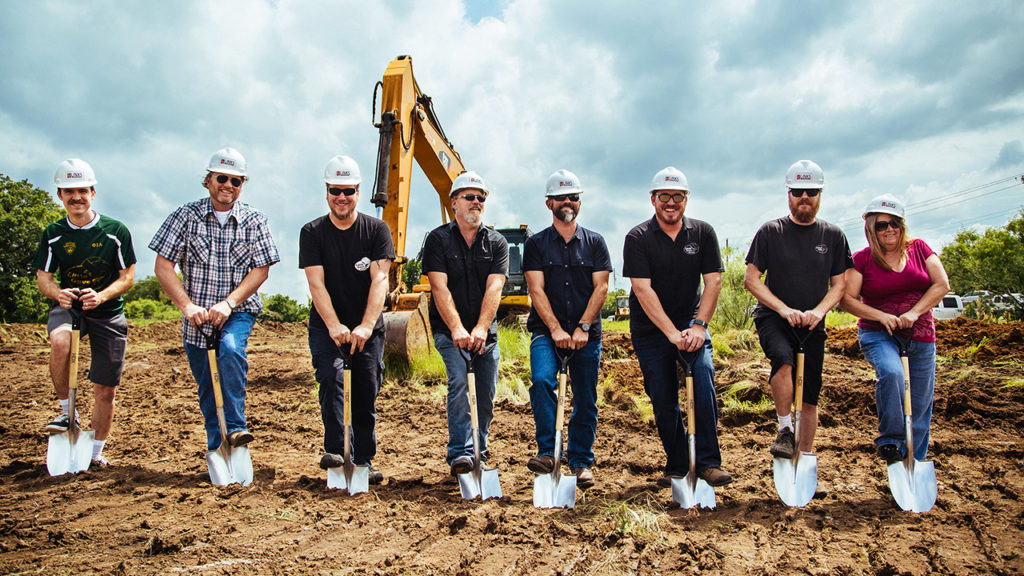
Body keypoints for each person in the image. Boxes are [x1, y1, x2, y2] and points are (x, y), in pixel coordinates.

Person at [150, 147, 280, 455]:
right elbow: (163, 266)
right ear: (208, 180)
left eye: (236, 181)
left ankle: (235, 429)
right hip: (197, 315)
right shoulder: (184, 216)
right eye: (222, 178)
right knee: (208, 385)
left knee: (231, 351)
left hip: (237, 311)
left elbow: (261, 270)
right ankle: (217, 446)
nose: (228, 186)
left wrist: (230, 303)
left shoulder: (254, 221)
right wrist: (187, 306)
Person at [623, 166, 733, 488]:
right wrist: (671, 333)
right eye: (664, 196)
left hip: (691, 321)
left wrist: (699, 327)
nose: (671, 202)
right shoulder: (638, 237)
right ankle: (678, 463)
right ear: (653, 199)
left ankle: (709, 462)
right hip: (651, 327)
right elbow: (643, 289)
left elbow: (713, 282)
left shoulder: (703, 233)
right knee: (662, 395)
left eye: (678, 196)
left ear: (686, 199)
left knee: (702, 378)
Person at [744, 160, 852, 462]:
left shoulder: (833, 235)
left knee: (809, 397)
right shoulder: (771, 232)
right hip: (773, 318)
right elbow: (752, 280)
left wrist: (818, 312)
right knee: (784, 361)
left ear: (820, 195)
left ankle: (804, 458)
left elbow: (839, 285)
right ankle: (784, 430)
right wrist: (783, 309)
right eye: (798, 191)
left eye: (811, 192)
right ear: (788, 194)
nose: (805, 197)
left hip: (812, 323)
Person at [35, 159, 136, 467]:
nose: (76, 197)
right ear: (60, 196)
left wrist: (102, 295)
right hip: (69, 308)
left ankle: (93, 454)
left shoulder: (115, 231)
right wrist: (58, 293)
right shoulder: (53, 234)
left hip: (107, 313)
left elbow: (128, 276)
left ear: (92, 193)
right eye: (69, 192)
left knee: (105, 390)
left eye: (82, 191)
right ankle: (68, 412)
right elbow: (44, 279)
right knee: (60, 343)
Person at [300, 155, 394, 484]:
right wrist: (334, 326)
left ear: (358, 191)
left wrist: (366, 326)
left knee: (366, 388)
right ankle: (337, 452)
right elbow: (316, 284)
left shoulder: (376, 230)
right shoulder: (312, 232)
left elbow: (380, 280)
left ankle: (364, 458)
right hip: (328, 325)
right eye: (335, 190)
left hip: (367, 323)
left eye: (349, 190)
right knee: (331, 379)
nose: (342, 197)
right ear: (327, 192)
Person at [841, 194, 948, 463]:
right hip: (879, 333)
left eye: (895, 223)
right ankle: (890, 441)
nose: (889, 229)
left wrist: (913, 312)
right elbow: (847, 300)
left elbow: (941, 285)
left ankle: (914, 462)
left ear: (902, 225)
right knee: (891, 374)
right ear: (871, 229)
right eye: (881, 225)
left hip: (920, 333)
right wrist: (882, 316)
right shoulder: (862, 259)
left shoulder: (920, 249)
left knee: (920, 405)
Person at [523, 169, 611, 489]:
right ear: (549, 203)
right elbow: (536, 290)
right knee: (543, 380)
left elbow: (601, 288)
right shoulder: (535, 245)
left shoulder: (596, 243)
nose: (568, 202)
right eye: (561, 197)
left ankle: (580, 461)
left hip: (587, 335)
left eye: (574, 196)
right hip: (547, 333)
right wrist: (557, 329)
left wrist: (583, 326)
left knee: (585, 397)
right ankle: (548, 452)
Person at [421, 171, 509, 476]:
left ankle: (478, 453)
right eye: (469, 197)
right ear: (454, 203)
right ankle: (460, 452)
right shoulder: (438, 240)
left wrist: (482, 328)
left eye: (481, 198)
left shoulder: (497, 243)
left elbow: (494, 288)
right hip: (450, 332)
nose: (476, 203)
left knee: (485, 393)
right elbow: (439, 288)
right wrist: (458, 328)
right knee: (459, 383)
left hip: (486, 333)